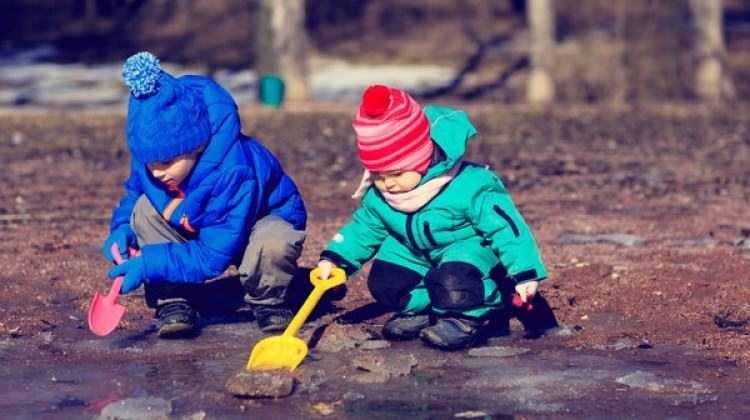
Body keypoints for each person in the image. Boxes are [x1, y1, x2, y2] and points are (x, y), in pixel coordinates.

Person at [316, 85, 548, 350]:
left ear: (422, 159)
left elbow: (507, 229)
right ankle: (427, 311)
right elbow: (363, 229)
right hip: (416, 251)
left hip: (467, 250)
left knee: (454, 280)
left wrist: (525, 273)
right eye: (379, 175)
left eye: (397, 174)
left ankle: (472, 314)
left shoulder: (469, 185)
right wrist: (335, 261)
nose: (388, 184)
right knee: (386, 282)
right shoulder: (380, 197)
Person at [102, 52, 307, 338]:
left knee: (272, 242)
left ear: (197, 146)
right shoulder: (155, 157)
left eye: (165, 163)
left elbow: (212, 256)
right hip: (199, 223)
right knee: (144, 209)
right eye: (149, 163)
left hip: (253, 225)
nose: (156, 172)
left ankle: (268, 299)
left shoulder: (233, 171)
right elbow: (135, 192)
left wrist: (150, 263)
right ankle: (174, 300)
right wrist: (123, 227)